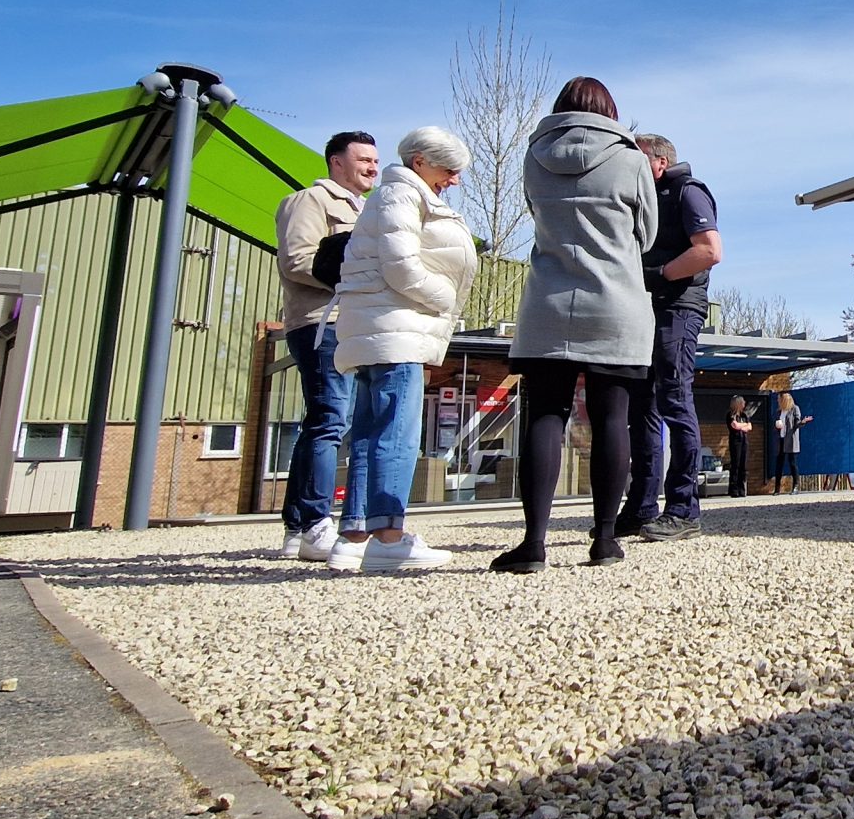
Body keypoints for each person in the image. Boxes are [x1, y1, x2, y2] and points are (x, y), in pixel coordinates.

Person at [499, 76, 657, 572]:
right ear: (610, 112)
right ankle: (605, 539)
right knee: (612, 418)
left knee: (545, 415)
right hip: (614, 301)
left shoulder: (533, 157)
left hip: (548, 301)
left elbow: (535, 214)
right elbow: (648, 234)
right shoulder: (631, 160)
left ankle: (533, 544)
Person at [325, 126, 477, 572]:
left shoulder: (394, 193)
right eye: (449, 169)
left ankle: (354, 535)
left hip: (381, 328)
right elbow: (401, 265)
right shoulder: (404, 194)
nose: (454, 179)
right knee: (397, 433)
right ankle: (390, 537)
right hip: (398, 330)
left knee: (370, 431)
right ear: (420, 162)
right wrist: (444, 297)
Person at [273, 130, 378, 561]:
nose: (372, 167)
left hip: (352, 324)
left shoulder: (367, 210)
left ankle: (297, 527)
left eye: (375, 160)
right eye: (364, 159)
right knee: (330, 420)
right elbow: (297, 260)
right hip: (321, 323)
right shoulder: (309, 202)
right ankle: (316, 523)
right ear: (336, 161)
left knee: (326, 420)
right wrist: (358, 278)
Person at [621, 133, 721, 543]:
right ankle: (641, 507)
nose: (629, 163)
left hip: (678, 308)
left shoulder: (688, 192)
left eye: (638, 156)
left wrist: (659, 274)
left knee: (675, 399)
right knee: (642, 406)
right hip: (646, 308)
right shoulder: (644, 198)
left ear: (660, 162)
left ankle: (683, 509)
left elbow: (710, 251)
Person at [774, 391, 808, 494]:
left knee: (792, 463)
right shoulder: (779, 411)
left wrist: (802, 422)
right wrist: (777, 426)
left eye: (779, 399)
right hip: (781, 439)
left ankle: (796, 486)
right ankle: (777, 488)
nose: (778, 401)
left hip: (790, 440)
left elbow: (797, 423)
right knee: (779, 464)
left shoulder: (794, 409)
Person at [724, 395, 753, 499]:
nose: (744, 403)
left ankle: (742, 489)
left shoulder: (744, 415)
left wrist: (742, 426)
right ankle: (734, 489)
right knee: (735, 464)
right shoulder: (730, 415)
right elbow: (734, 425)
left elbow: (750, 427)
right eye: (742, 402)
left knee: (743, 465)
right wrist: (743, 426)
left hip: (744, 441)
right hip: (735, 441)